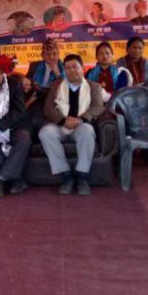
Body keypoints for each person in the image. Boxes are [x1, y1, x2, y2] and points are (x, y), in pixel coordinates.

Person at [39, 54, 106, 195]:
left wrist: (80, 119)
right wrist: (63, 121)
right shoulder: (56, 86)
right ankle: (66, 175)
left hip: (81, 124)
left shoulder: (93, 87)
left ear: (82, 68)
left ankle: (82, 176)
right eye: (68, 68)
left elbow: (98, 107)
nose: (72, 70)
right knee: (45, 133)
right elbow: (48, 108)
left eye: (75, 67)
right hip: (60, 125)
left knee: (87, 130)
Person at [0, 55, 31, 197]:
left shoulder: (14, 85)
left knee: (24, 138)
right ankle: (16, 179)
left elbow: (19, 111)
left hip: (12, 126)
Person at [26, 39, 65, 134]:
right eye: (48, 54)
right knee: (35, 121)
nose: (51, 57)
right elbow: (28, 82)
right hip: (38, 99)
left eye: (54, 54)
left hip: (55, 101)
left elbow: (66, 87)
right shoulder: (35, 66)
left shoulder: (64, 67)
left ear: (59, 54)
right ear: (42, 56)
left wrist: (57, 72)